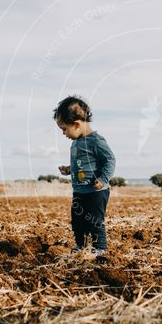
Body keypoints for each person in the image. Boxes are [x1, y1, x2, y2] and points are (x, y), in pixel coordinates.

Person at [53, 95, 116, 256]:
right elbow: (81, 164)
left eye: (64, 129)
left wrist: (103, 179)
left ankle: (100, 248)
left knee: (94, 221)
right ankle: (81, 246)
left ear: (77, 124)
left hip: (96, 192)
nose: (63, 133)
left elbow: (110, 160)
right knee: (78, 221)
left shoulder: (96, 141)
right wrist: (69, 169)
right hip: (79, 191)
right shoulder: (76, 142)